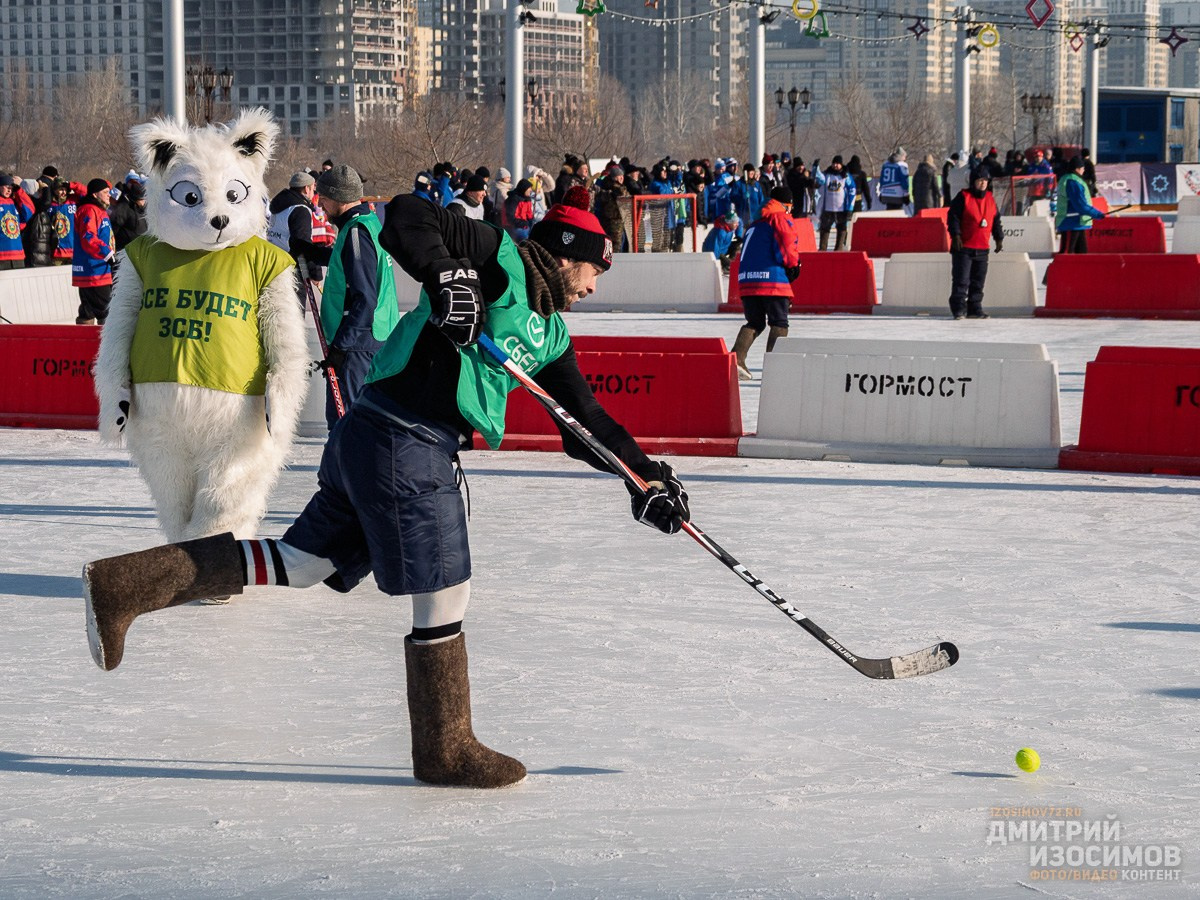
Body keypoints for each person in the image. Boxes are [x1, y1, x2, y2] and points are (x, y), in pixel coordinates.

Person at [82, 184, 691, 791]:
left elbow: (585, 423)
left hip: (377, 440)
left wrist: (646, 477)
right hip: (404, 441)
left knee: (302, 563)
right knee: (446, 590)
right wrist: (449, 277)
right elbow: (405, 214)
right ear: (566, 253)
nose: (594, 287)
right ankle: (445, 748)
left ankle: (122, 585)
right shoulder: (496, 255)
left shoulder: (551, 335)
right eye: (595, 269)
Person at [310, 164, 400, 428]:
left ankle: (345, 457)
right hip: (373, 336)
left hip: (358, 342)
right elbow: (351, 262)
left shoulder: (356, 232)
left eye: (324, 198)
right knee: (362, 420)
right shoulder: (368, 223)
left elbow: (365, 297)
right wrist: (314, 253)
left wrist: (341, 347)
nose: (320, 205)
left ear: (339, 197)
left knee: (346, 422)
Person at [731, 185, 803, 380]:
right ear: (786, 204)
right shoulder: (780, 217)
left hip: (747, 281)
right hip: (771, 281)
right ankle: (774, 367)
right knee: (779, 322)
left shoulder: (755, 223)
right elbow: (787, 241)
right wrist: (793, 265)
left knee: (755, 322)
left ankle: (736, 359)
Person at [946, 168, 1003, 320]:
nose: (983, 183)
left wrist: (999, 238)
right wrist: (956, 235)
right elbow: (953, 218)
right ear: (973, 182)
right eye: (979, 180)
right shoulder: (963, 197)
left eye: (985, 180)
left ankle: (974, 308)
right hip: (964, 248)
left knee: (978, 282)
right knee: (961, 281)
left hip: (982, 248)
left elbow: (995, 220)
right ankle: (959, 308)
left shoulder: (990, 198)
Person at [267, 171, 329, 279]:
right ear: (306, 189)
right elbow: (302, 245)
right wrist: (313, 273)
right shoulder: (300, 210)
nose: (313, 193)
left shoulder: (281, 204)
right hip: (289, 268)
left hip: (271, 261)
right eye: (312, 189)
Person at [72, 178, 114, 324]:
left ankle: (84, 336)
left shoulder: (99, 210)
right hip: (94, 271)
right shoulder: (89, 210)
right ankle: (109, 338)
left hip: (100, 269)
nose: (109, 195)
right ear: (95, 194)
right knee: (108, 313)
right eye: (105, 192)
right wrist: (107, 253)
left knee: (88, 311)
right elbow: (88, 237)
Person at [1054, 156, 1105, 255]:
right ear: (1077, 169)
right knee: (1068, 253)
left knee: (1082, 254)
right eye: (1082, 168)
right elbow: (1080, 205)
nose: (1084, 170)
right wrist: (1097, 214)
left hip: (1077, 223)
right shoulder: (1073, 182)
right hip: (1071, 223)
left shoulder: (1068, 179)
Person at [814, 156, 855, 251]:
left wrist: (850, 208)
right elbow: (820, 179)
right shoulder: (827, 174)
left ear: (841, 164)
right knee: (824, 228)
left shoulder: (845, 175)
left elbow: (852, 190)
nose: (835, 165)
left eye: (837, 164)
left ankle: (838, 249)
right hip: (828, 208)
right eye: (834, 163)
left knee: (841, 229)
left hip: (841, 208)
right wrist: (816, 168)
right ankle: (822, 249)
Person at [0, 174, 34, 270]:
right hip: (2, 255)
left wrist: (18, 190)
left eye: (11, 188)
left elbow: (29, 211)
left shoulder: (14, 202)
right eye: (6, 187)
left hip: (17, 255)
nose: (9, 190)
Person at [592, 163, 629, 252]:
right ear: (614, 177)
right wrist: (618, 185)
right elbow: (623, 193)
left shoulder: (611, 185)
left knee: (619, 243)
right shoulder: (613, 186)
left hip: (618, 219)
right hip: (613, 220)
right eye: (619, 176)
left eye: (622, 176)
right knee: (615, 245)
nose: (622, 178)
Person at [107, 178, 147, 251]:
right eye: (141, 200)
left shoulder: (142, 210)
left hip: (137, 247)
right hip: (123, 248)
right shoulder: (124, 208)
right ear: (135, 199)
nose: (143, 202)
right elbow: (114, 227)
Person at [701, 208, 740, 273]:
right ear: (729, 222)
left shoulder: (730, 228)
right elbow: (714, 249)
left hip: (722, 250)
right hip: (712, 252)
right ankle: (726, 265)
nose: (737, 224)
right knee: (730, 263)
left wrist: (739, 237)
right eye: (735, 223)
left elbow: (740, 224)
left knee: (737, 244)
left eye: (737, 222)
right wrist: (715, 264)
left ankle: (728, 265)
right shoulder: (720, 232)